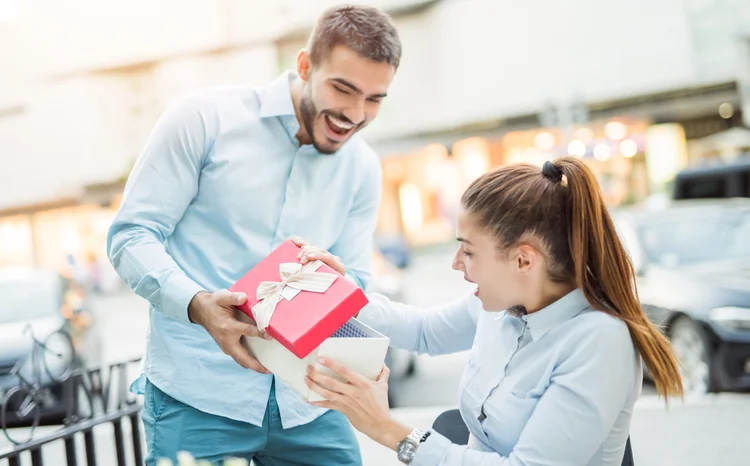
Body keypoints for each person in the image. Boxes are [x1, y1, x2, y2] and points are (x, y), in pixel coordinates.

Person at [106, 5, 401, 465]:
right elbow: (132, 234)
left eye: (375, 99)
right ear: (305, 65)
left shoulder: (362, 168)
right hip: (197, 396)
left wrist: (340, 289)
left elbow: (358, 276)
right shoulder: (204, 119)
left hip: (311, 402)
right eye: (343, 89)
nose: (356, 114)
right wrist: (198, 304)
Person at [300, 157, 684, 465]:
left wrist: (387, 429)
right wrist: (341, 293)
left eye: (468, 251)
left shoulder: (600, 343)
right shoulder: (503, 307)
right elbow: (423, 331)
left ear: (523, 260)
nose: (455, 263)